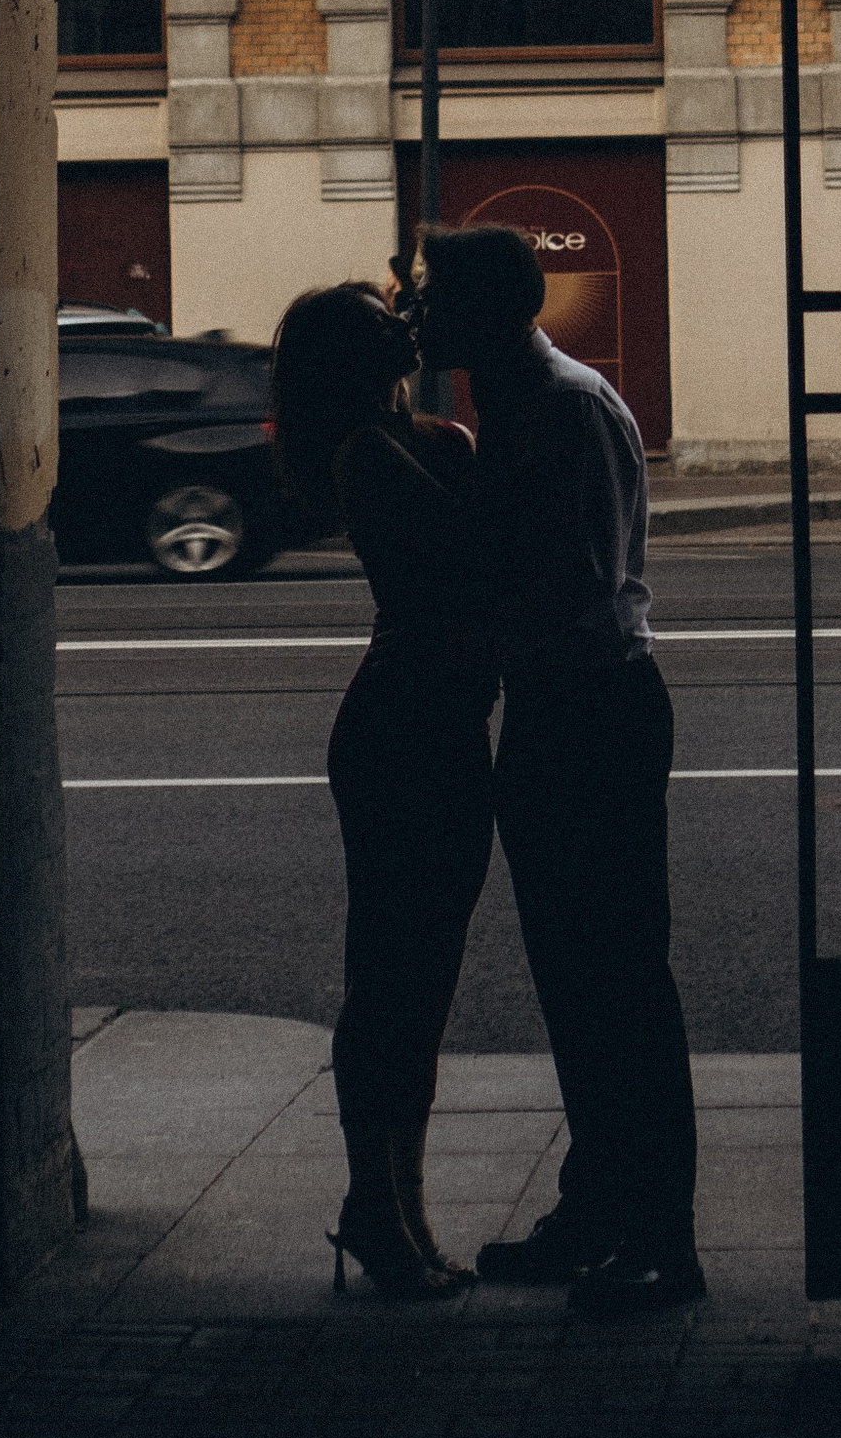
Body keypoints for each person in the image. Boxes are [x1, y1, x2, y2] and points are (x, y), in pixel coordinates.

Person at [410, 223, 703, 1316]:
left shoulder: (562, 410)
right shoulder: (523, 400)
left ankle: (663, 1238)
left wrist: (455, 616)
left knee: (619, 983)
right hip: (562, 710)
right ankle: (599, 1207)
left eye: (434, 298)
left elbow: (567, 587)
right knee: (579, 985)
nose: (419, 317)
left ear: (485, 310)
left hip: (590, 710)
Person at [269, 280, 496, 1301]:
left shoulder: (424, 437)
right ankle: (378, 1206)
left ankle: (401, 1206)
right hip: (402, 728)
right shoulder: (369, 455)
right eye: (376, 324)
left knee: (425, 980)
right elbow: (473, 561)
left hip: (441, 725)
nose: (395, 327)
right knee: (391, 979)